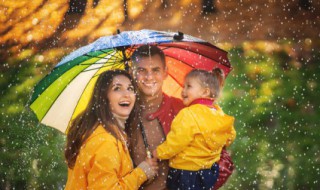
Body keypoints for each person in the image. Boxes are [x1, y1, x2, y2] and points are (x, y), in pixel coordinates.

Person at [64, 70, 158, 190]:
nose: (127, 94)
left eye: (130, 88)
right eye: (117, 88)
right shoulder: (105, 141)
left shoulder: (110, 133)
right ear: (104, 97)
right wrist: (141, 173)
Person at [153, 68, 236, 190]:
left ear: (205, 92)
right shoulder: (218, 113)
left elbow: (176, 142)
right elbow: (230, 137)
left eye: (189, 86)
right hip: (208, 173)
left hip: (185, 174)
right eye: (184, 86)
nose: (183, 91)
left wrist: (159, 153)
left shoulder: (188, 114)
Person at [127, 45, 184, 189]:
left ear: (165, 73)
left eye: (155, 70)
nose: (149, 77)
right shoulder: (122, 114)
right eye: (141, 70)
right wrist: (141, 173)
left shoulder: (182, 110)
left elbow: (217, 158)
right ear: (131, 73)